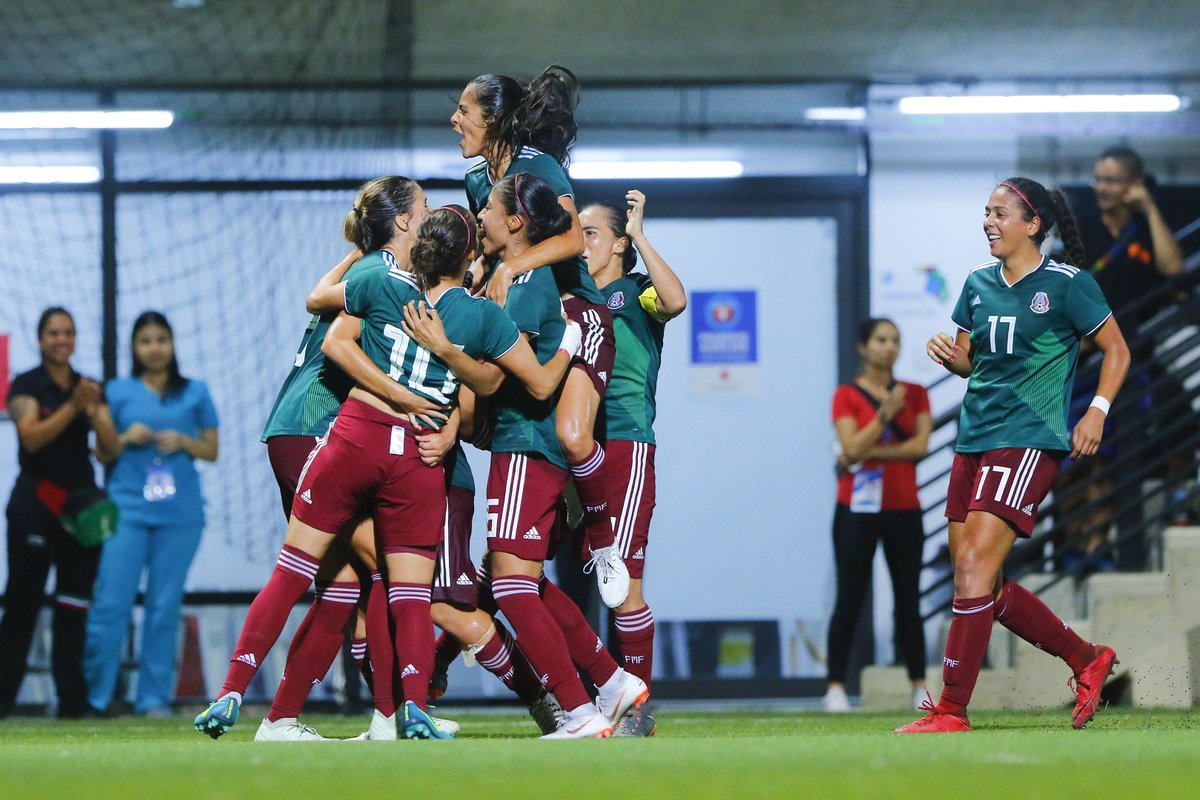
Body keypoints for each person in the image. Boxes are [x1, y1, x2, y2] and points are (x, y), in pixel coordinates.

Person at [193, 204, 582, 741]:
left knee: (297, 572)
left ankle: (235, 690)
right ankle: (409, 709)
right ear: (469, 254)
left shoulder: (377, 278)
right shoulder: (483, 315)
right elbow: (499, 386)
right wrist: (559, 343)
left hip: (355, 434)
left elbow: (330, 330)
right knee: (408, 594)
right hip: (418, 455)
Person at [898, 177, 1130, 734]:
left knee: (975, 567)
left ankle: (951, 710)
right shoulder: (978, 284)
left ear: (1033, 225)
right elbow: (972, 362)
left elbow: (1117, 349)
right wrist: (948, 356)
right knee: (977, 579)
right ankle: (1087, 658)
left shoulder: (1068, 284)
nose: (988, 222)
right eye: (986, 212)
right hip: (974, 438)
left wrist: (1096, 410)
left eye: (1000, 213)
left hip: (1027, 436)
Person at [468, 173, 649, 738]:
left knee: (510, 585)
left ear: (517, 221)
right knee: (520, 578)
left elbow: (518, 380)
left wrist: (446, 348)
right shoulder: (522, 278)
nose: (481, 220)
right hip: (530, 446)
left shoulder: (524, 285)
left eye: (489, 212)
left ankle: (576, 709)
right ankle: (612, 682)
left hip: (525, 442)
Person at [452, 66, 630, 607]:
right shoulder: (480, 180)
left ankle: (603, 538)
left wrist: (510, 267)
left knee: (575, 436)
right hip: (530, 321)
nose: (454, 119)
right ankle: (558, 506)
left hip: (577, 314)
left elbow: (573, 237)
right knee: (464, 415)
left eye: (465, 109)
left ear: (495, 119)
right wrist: (480, 270)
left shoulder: (539, 165)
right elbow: (493, 244)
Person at [578, 190, 687, 736]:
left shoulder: (636, 292)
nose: (580, 241)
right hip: (569, 451)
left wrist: (644, 236)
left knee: (624, 585)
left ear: (620, 244)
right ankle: (577, 701)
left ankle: (636, 709)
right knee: (517, 570)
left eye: (591, 232)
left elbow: (675, 301)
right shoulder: (566, 295)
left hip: (623, 444)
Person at [83, 311, 219, 716]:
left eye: (161, 339)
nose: (155, 347)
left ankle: (153, 699)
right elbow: (102, 451)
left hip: (180, 516)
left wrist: (184, 441)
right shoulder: (117, 390)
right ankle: (96, 698)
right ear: (134, 348)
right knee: (111, 604)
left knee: (164, 607)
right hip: (126, 511)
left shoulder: (195, 391)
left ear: (172, 344)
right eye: (146, 340)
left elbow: (212, 450)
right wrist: (124, 437)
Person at [0, 307, 119, 718]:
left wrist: (94, 414)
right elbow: (30, 439)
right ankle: (3, 703)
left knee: (73, 607)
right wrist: (73, 406)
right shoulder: (26, 384)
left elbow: (110, 449)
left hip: (80, 513)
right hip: (35, 507)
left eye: (68, 332)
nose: (61, 339)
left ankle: (73, 703)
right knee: (22, 605)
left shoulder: (90, 388)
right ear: (40, 339)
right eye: (53, 333)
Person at [822, 318, 930, 714]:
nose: (889, 347)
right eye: (881, 340)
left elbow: (919, 447)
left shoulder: (915, 393)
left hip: (904, 508)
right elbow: (850, 443)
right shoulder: (846, 396)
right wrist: (884, 416)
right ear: (863, 347)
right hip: (855, 509)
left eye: (895, 341)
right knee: (849, 597)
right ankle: (835, 686)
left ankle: (919, 684)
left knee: (908, 600)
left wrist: (865, 452)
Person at [1084, 145, 1183, 327]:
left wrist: (1150, 208)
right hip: (1091, 345)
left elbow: (1173, 269)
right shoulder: (1083, 227)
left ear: (1136, 184)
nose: (1101, 188)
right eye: (1097, 180)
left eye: (1110, 181)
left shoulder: (1149, 231)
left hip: (1140, 345)